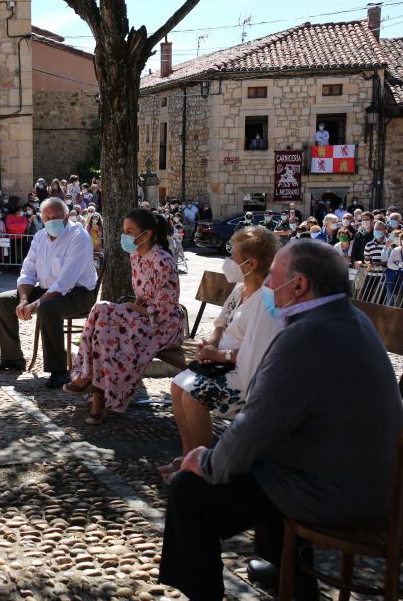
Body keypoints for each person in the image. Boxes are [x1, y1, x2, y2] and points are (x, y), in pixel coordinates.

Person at [159, 240, 403, 601]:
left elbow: (255, 425)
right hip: (377, 484)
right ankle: (287, 573)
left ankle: (204, 593)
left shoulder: (304, 337)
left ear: (299, 285)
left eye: (274, 277)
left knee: (189, 492)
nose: (269, 287)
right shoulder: (354, 320)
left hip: (337, 494)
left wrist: (207, 462)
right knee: (265, 464)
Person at [162, 227, 281, 479]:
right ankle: (188, 455)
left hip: (244, 371)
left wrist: (218, 355)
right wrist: (211, 345)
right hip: (220, 361)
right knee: (177, 386)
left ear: (252, 263)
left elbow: (256, 353)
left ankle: (203, 465)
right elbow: (221, 322)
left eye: (234, 255)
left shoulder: (266, 301)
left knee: (194, 396)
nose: (229, 261)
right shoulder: (241, 287)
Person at [65, 209, 185, 423]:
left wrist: (131, 308)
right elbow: (141, 299)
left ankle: (91, 385)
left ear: (146, 234)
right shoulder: (135, 256)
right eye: (124, 231)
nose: (125, 236)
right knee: (103, 319)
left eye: (130, 231)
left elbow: (164, 309)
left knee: (105, 317)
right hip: (142, 318)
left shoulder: (163, 261)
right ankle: (97, 396)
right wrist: (132, 309)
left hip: (163, 325)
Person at [0, 198, 98, 388]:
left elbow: (65, 281)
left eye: (57, 216)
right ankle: (12, 358)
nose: (52, 220)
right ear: (41, 218)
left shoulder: (79, 236)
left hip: (79, 293)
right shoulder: (39, 237)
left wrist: (35, 304)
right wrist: (23, 300)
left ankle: (59, 370)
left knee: (47, 307)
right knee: (3, 301)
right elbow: (28, 271)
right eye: (48, 217)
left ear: (67, 216)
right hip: (47, 290)